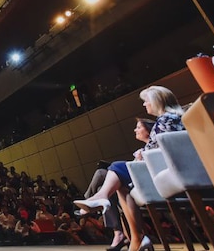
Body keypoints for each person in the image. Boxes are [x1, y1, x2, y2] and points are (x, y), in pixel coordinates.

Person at [74, 85, 186, 251]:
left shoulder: (166, 119)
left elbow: (166, 150)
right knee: (120, 186)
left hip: (167, 174)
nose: (144, 104)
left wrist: (144, 152)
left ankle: (101, 198)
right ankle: (136, 238)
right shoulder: (171, 118)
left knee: (116, 168)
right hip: (165, 172)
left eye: (146, 101)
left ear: (157, 101)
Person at [81, 118, 157, 251]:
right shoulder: (144, 149)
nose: (135, 130)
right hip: (133, 183)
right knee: (102, 181)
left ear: (149, 131)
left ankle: (91, 200)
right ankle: (118, 233)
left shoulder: (154, 146)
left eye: (139, 127)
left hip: (145, 184)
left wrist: (140, 160)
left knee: (105, 172)